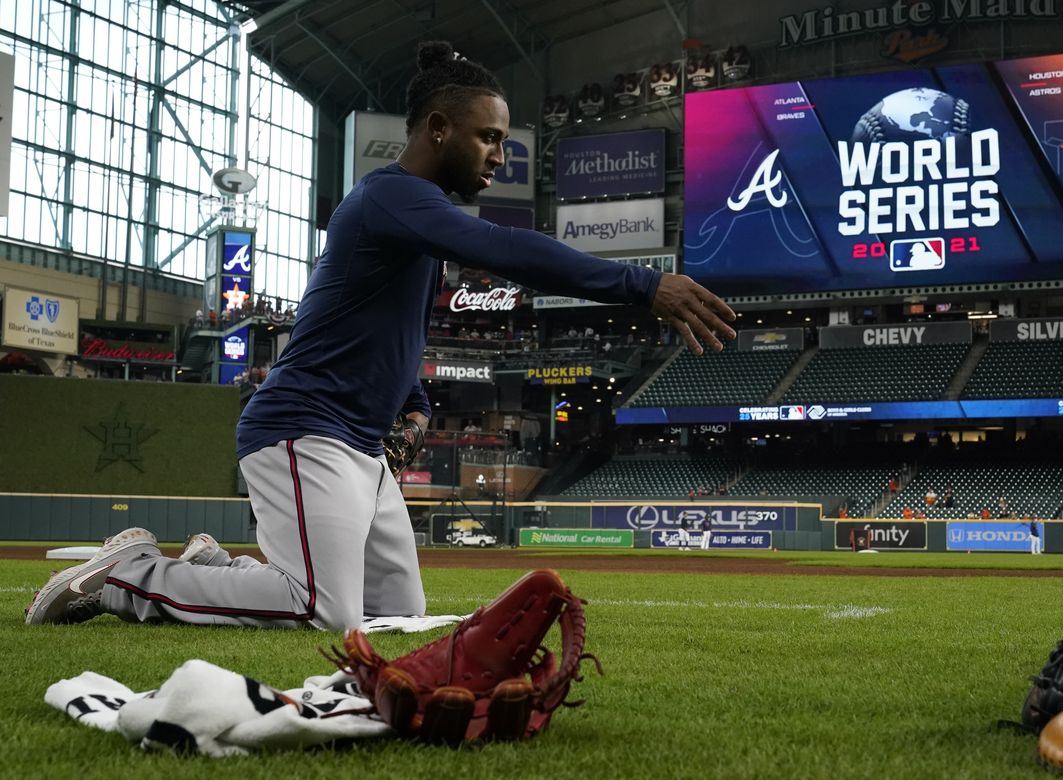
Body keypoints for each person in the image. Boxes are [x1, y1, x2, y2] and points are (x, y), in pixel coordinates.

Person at [26, 41, 736, 629]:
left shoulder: (409, 216)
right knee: (326, 612)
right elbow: (502, 248)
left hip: (359, 445)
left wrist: (417, 398)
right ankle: (130, 576)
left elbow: (381, 330)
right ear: (437, 128)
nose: (500, 155)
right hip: (303, 429)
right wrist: (644, 285)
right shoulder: (392, 195)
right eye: (488, 136)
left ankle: (217, 568)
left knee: (395, 615)